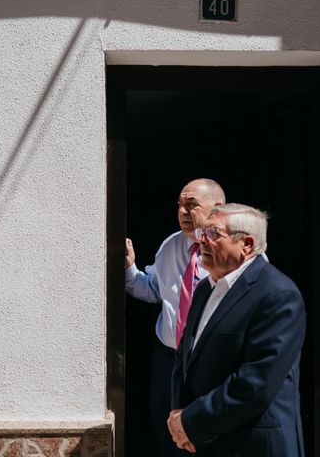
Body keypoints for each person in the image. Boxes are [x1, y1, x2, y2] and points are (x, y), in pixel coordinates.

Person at [168, 204, 306, 457]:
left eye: (213, 235)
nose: (202, 242)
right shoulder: (204, 289)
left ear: (247, 244)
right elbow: (184, 357)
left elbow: (255, 384)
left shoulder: (277, 294)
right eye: (202, 234)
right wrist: (180, 419)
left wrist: (192, 421)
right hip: (201, 441)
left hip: (251, 445)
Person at [125, 178, 225, 457]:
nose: (182, 211)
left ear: (218, 207)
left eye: (191, 205)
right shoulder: (170, 246)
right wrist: (129, 267)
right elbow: (153, 290)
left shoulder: (234, 251)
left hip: (212, 359)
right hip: (169, 359)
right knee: (167, 434)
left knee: (208, 433)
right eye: (180, 205)